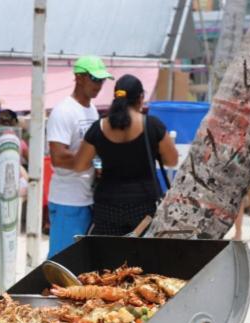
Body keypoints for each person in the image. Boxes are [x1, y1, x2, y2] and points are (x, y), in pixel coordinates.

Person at [73, 74, 178, 235]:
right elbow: (172, 160)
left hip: (108, 206)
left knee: (109, 256)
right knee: (141, 256)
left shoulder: (99, 127)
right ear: (141, 97)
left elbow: (80, 165)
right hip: (144, 206)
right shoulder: (152, 125)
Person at [46, 55, 113, 256]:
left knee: (78, 262)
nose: (99, 85)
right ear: (79, 77)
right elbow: (58, 157)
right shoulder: (63, 111)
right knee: (62, 261)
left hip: (86, 198)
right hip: (68, 200)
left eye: (102, 80)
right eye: (95, 79)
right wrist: (88, 160)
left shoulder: (91, 110)